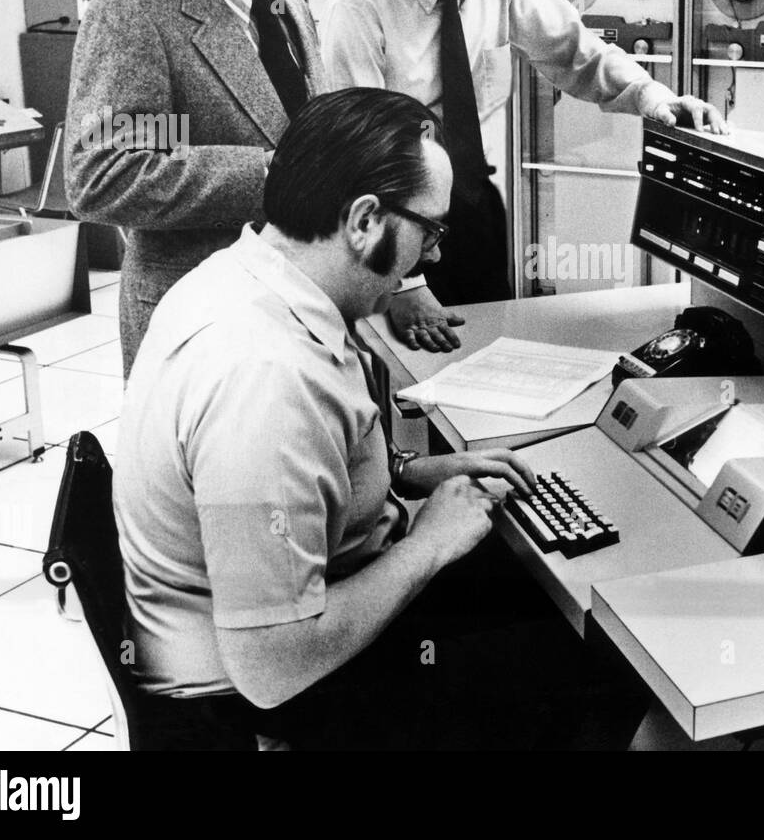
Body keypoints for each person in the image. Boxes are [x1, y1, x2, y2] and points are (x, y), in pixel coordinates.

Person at [115, 88, 641, 749]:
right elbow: (271, 670)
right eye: (429, 231)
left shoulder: (237, 279)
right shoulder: (267, 378)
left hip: (298, 610)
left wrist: (411, 470)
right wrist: (429, 544)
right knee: (602, 650)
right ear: (364, 220)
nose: (435, 257)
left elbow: (308, 470)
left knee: (539, 579)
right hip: (296, 693)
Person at [322, 0, 726, 354]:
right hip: (393, 216)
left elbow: (577, 52)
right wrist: (405, 282)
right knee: (411, 374)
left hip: (472, 203)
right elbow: (360, 158)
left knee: (488, 353)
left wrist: (654, 97)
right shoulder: (358, 7)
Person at [65, 0, 337, 377]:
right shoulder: (142, 10)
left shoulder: (293, 14)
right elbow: (106, 173)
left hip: (293, 315)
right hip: (193, 329)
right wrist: (275, 176)